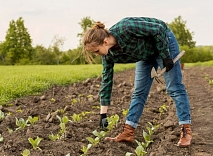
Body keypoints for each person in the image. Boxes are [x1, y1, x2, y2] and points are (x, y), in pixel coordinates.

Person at [82, 17, 192, 147]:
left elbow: (159, 29)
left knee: (174, 88)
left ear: (105, 42)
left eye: (96, 51)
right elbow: (106, 80)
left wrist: (165, 55)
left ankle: (186, 131)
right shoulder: (108, 56)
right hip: (145, 53)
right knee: (139, 92)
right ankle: (128, 132)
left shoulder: (126, 27)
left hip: (163, 41)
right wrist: (103, 114)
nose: (96, 55)